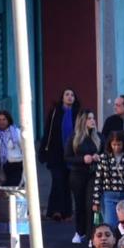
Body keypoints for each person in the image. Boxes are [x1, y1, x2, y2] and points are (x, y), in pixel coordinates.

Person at [41, 88, 80, 221]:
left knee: (68, 183)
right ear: (62, 97)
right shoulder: (55, 113)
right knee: (57, 181)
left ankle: (67, 212)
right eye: (67, 94)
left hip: (72, 153)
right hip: (56, 153)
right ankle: (55, 211)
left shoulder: (77, 113)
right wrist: (43, 151)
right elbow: (48, 132)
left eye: (72, 95)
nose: (69, 97)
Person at [91, 131, 124, 224]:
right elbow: (98, 180)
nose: (116, 147)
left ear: (123, 144)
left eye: (119, 144)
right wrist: (96, 200)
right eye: (114, 144)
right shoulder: (104, 158)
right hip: (109, 195)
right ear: (110, 144)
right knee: (110, 224)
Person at [66, 111, 101, 243]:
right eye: (89, 118)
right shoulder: (74, 138)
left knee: (91, 205)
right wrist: (82, 159)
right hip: (77, 175)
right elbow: (67, 157)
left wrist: (98, 157)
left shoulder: (98, 137)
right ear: (82, 121)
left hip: (94, 174)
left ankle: (92, 233)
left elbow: (106, 154)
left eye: (93, 118)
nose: (92, 121)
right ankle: (79, 232)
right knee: (79, 205)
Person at [0, 109, 26, 186]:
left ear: (8, 120)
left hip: (17, 165)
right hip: (3, 166)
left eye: (4, 119)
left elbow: (24, 150)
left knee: (14, 189)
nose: (1, 122)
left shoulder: (16, 132)